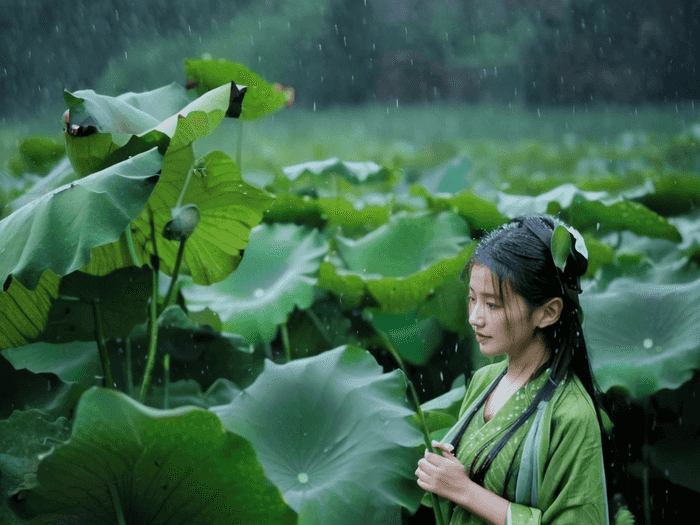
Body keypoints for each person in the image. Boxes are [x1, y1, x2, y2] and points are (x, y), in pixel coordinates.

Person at [415, 215, 610, 525]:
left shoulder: (571, 414)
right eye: (472, 299)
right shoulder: (484, 380)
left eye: (492, 304)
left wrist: (465, 490)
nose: (474, 318)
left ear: (548, 312)